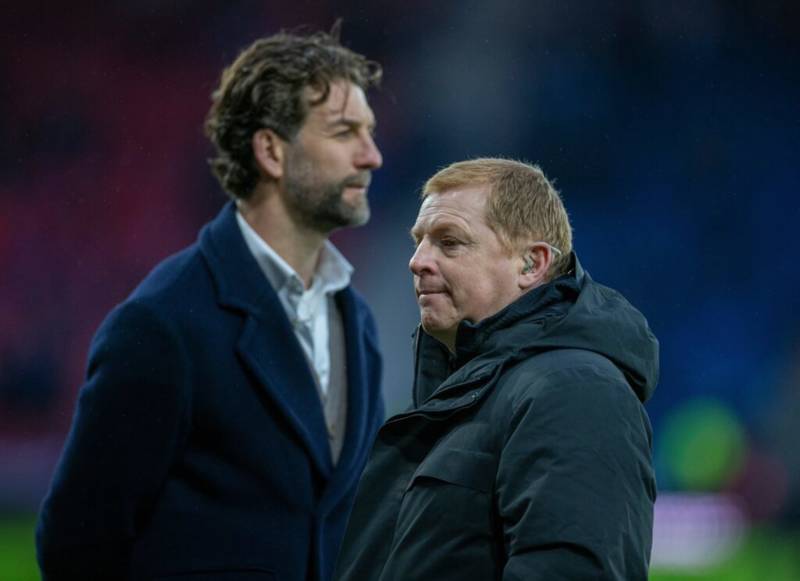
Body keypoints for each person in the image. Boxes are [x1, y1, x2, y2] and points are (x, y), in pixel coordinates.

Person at [36, 28, 385, 581]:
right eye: (345, 132)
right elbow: (74, 544)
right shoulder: (164, 324)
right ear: (271, 151)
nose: (372, 156)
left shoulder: (355, 321)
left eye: (369, 132)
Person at [334, 158, 658, 581]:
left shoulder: (575, 390)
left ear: (532, 264)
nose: (417, 261)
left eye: (449, 242)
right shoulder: (474, 395)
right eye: (419, 241)